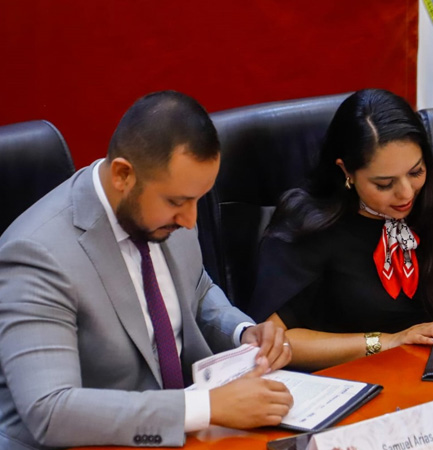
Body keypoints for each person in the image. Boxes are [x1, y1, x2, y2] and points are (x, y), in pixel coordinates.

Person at [0, 91, 293, 449]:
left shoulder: (169, 209)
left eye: (198, 199)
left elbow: (196, 289)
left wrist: (242, 334)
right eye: (177, 202)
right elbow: (51, 411)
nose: (190, 220)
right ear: (123, 175)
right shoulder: (37, 254)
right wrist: (206, 407)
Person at [247, 88, 433, 372]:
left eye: (416, 172)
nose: (406, 194)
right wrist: (387, 342)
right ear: (346, 171)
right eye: (384, 184)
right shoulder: (308, 221)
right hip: (356, 378)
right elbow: (275, 340)